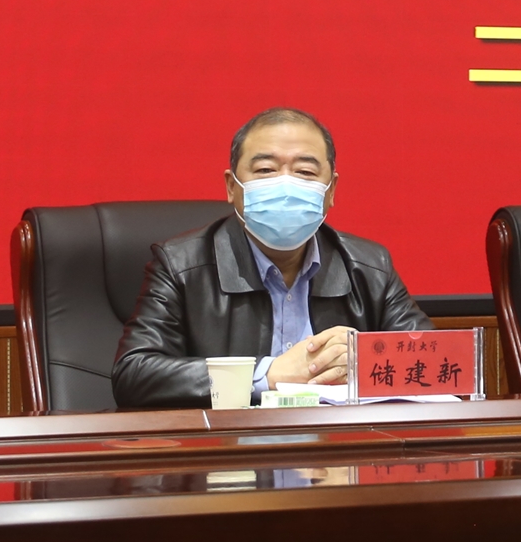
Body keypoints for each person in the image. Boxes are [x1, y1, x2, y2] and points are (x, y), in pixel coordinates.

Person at [112, 108, 433, 407]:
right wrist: (267, 375)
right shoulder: (181, 265)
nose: (286, 185)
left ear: (331, 190)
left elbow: (434, 363)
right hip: (230, 444)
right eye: (265, 170)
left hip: (338, 443)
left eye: (305, 171)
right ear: (232, 187)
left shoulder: (370, 267)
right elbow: (135, 374)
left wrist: (368, 360)